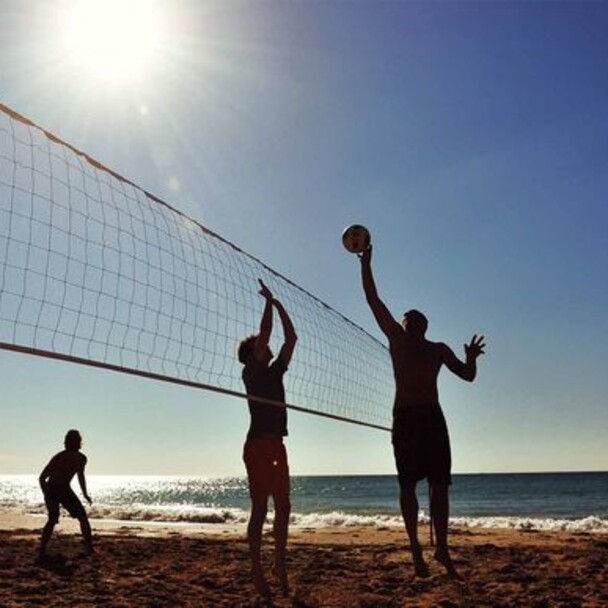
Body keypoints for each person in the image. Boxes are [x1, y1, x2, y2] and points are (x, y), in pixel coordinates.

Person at [359, 245, 485, 578]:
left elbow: (468, 376)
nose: (408, 321)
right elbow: (373, 301)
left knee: (441, 485)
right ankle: (415, 546)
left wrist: (471, 358)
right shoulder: (397, 340)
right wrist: (366, 264)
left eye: (413, 319)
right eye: (405, 319)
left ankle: (441, 547)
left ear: (424, 325)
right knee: (407, 486)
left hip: (432, 417)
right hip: (406, 419)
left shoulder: (437, 349)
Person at [237, 279, 298, 599]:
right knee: (260, 509)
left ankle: (279, 564)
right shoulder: (251, 371)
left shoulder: (275, 372)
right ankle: (257, 571)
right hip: (258, 445)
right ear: (251, 353)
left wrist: (278, 305)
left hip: (277, 445)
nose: (266, 346)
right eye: (259, 345)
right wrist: (267, 303)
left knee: (284, 507)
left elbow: (291, 338)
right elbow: (268, 334)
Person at [38, 429, 94, 560]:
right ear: (67, 442)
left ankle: (89, 548)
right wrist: (46, 494)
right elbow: (42, 478)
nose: (75, 442)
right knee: (52, 519)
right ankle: (42, 550)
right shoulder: (59, 457)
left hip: (65, 490)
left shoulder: (82, 458)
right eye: (72, 440)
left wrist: (85, 494)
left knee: (83, 517)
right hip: (52, 489)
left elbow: (81, 477)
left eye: (77, 440)